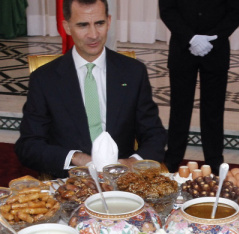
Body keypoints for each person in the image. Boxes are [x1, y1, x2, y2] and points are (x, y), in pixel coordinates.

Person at [15, 0, 167, 178]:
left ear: (109, 21)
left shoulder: (133, 72)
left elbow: (154, 135)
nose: (93, 35)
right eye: (83, 25)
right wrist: (75, 158)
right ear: (67, 27)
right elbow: (28, 145)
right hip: (71, 182)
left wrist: (132, 163)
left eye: (99, 23)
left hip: (124, 181)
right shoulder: (44, 79)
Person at [159, 0, 239, 175]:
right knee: (179, 108)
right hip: (182, 49)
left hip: (216, 49)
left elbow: (237, 11)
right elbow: (167, 9)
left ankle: (214, 161)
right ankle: (173, 159)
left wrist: (214, 37)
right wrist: (190, 38)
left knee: (213, 110)